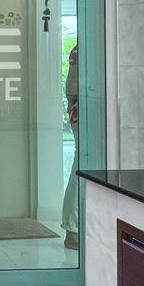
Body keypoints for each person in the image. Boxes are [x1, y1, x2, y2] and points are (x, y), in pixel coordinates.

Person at [62, 44, 80, 249]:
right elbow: (74, 90)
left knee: (80, 167)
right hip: (85, 112)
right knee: (81, 167)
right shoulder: (84, 50)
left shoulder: (79, 50)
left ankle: (74, 227)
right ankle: (73, 229)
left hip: (81, 112)